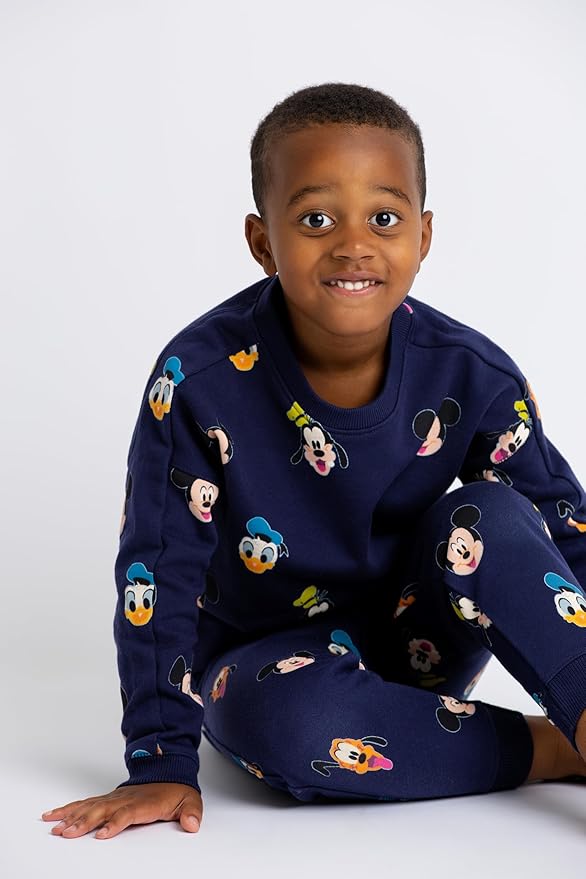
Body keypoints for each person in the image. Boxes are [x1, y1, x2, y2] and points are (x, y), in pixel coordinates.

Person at [42, 82, 586, 840]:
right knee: (286, 725)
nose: (353, 244)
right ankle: (552, 749)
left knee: (492, 517)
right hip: (265, 662)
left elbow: (566, 538)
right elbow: (157, 572)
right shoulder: (197, 381)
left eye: (384, 218)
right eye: (316, 219)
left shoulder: (470, 372)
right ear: (262, 241)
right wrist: (160, 760)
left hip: (420, 639)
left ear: (424, 236)